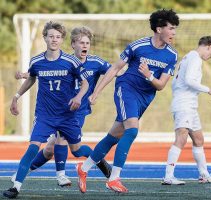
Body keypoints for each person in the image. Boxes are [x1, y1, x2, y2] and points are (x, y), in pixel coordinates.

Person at [76, 9, 180, 193]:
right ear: (158, 29)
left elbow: (161, 85)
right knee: (131, 131)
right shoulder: (137, 46)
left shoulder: (171, 55)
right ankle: (114, 178)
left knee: (113, 137)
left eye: (174, 29)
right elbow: (115, 68)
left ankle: (83, 169)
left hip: (145, 97)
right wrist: (96, 93)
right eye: (171, 28)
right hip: (126, 89)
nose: (173, 32)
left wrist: (148, 76)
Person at [10, 26, 112, 187]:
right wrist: (24, 76)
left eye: (87, 43)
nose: (85, 46)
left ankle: (62, 174)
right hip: (61, 108)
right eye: (81, 42)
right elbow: (42, 72)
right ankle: (30, 172)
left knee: (64, 143)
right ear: (72, 44)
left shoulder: (95, 62)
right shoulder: (66, 61)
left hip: (78, 109)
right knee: (52, 149)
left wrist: (98, 91)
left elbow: (115, 70)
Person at [3, 21, 92, 199]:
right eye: (51, 36)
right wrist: (16, 97)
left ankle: (101, 161)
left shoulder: (71, 61)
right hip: (44, 115)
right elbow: (31, 78)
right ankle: (16, 187)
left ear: (62, 40)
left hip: (66, 115)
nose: (54, 40)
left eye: (58, 37)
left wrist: (78, 97)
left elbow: (85, 83)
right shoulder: (36, 61)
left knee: (77, 150)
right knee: (33, 148)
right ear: (44, 38)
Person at [162, 36, 211, 185]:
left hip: (189, 105)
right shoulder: (195, 58)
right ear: (208, 46)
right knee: (181, 138)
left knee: (198, 139)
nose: (210, 57)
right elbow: (189, 81)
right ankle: (168, 176)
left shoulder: (188, 57)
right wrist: (208, 89)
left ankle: (204, 175)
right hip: (184, 105)